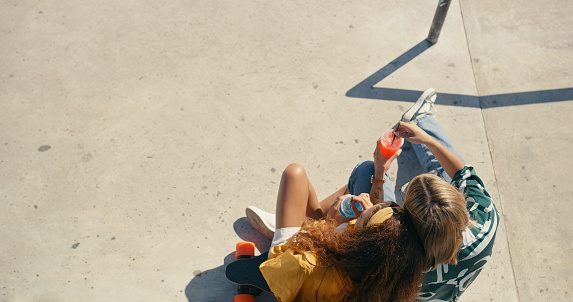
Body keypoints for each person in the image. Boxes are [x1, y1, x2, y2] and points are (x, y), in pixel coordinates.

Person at [247, 88, 499, 301]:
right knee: (366, 175)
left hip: (298, 257)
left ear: (401, 230)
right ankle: (300, 219)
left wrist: (327, 227)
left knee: (324, 174)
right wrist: (423, 144)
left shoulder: (391, 264)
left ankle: (294, 223)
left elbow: (290, 269)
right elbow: (465, 174)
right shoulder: (487, 220)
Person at [253, 162, 426, 300]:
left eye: (368, 214)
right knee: (349, 194)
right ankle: (294, 216)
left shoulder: (309, 265)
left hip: (294, 256)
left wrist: (328, 225)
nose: (368, 201)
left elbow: (272, 272)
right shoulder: (388, 279)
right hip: (334, 272)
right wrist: (378, 176)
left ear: (363, 238)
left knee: (294, 173)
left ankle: (290, 222)